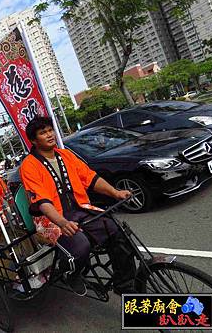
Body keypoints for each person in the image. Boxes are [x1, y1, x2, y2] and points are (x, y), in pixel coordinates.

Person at [20, 117, 136, 296]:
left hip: (81, 208)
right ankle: (71, 274)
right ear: (34, 140)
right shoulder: (29, 165)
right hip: (50, 219)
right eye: (43, 133)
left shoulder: (66, 155)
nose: (50, 135)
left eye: (50, 130)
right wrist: (61, 222)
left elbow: (90, 178)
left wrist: (115, 192)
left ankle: (124, 283)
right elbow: (42, 200)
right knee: (80, 246)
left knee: (117, 232)